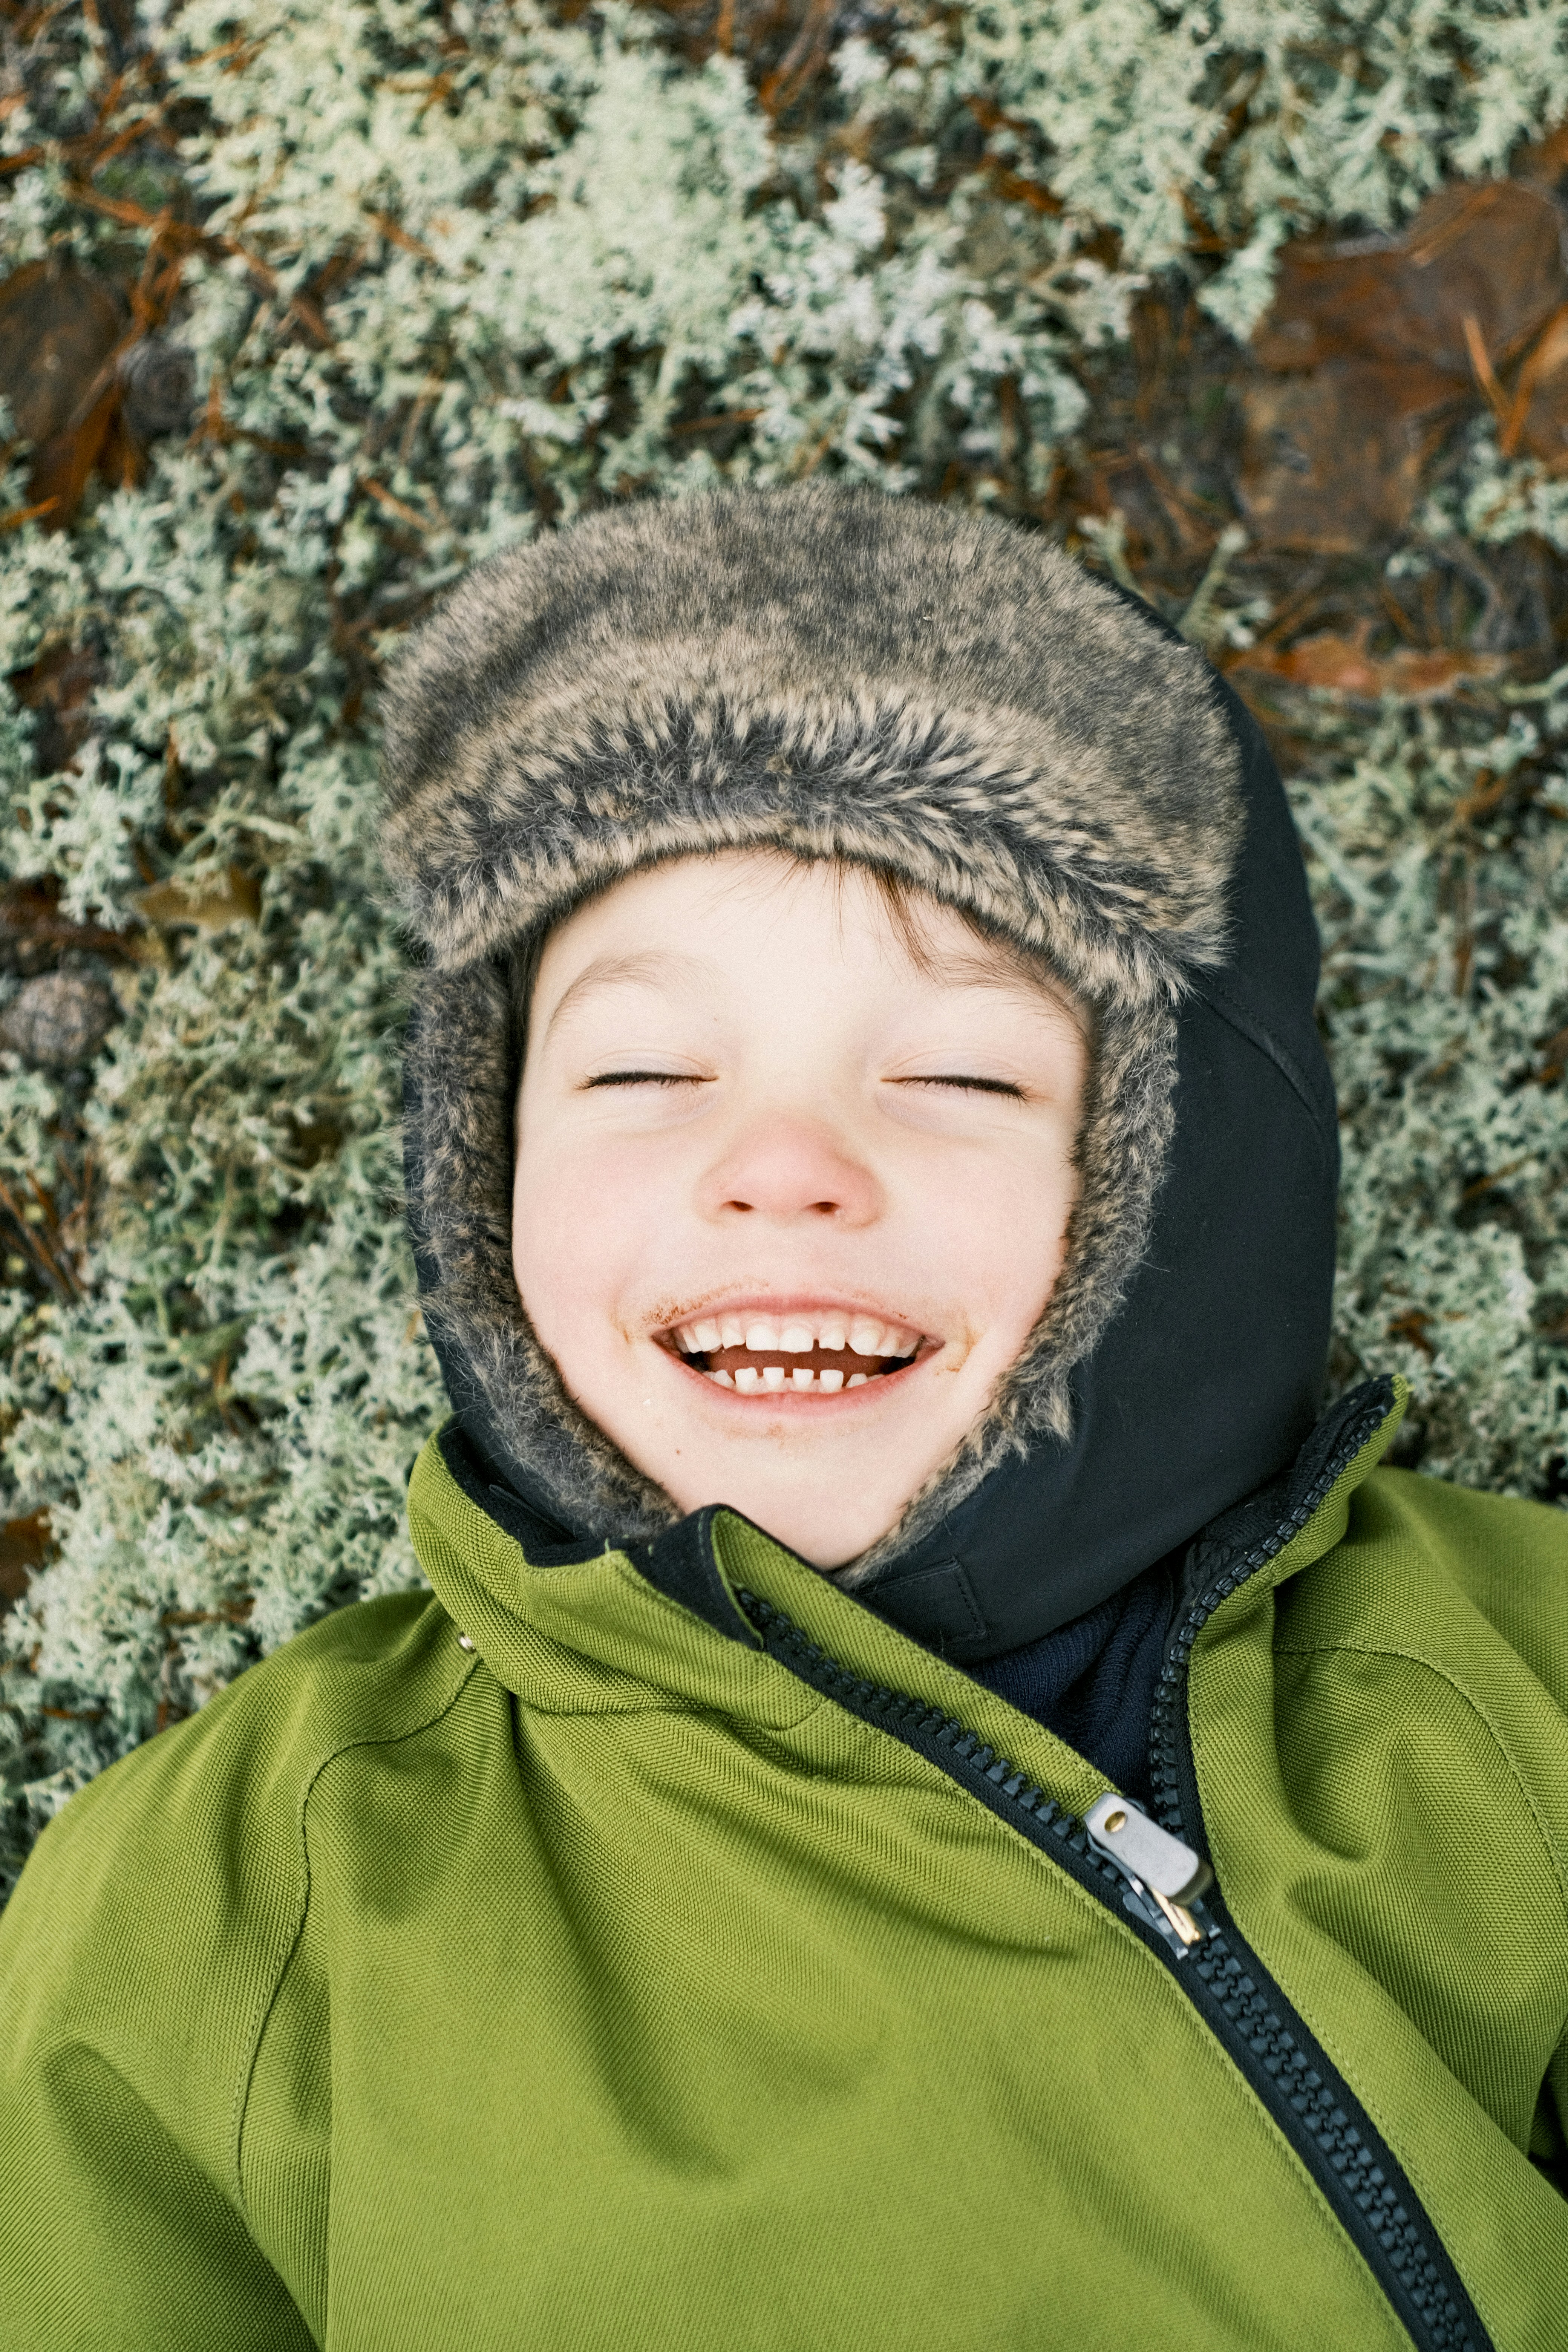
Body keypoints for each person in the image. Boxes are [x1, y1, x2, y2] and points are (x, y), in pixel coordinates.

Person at [2, 486, 1564, 2351]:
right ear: (477, 1161)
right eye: (643, 1068)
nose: (783, 1166)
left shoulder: (1511, 1690)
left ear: (1184, 1168)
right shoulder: (236, 1896)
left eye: (959, 1072)